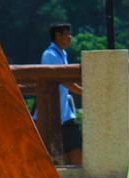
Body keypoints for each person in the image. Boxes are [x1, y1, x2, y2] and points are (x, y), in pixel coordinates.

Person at [41, 23, 83, 166]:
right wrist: (83, 91)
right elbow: (62, 79)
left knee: (76, 146)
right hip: (51, 113)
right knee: (52, 153)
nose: (70, 37)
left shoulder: (62, 54)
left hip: (65, 113)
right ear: (57, 36)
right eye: (67, 34)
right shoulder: (50, 55)